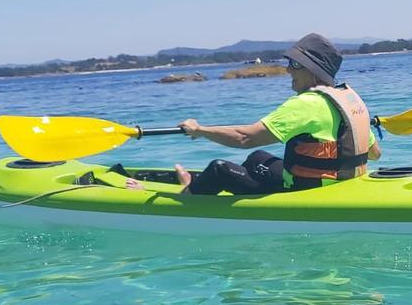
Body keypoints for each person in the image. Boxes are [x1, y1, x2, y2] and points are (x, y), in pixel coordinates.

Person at [137, 33, 382, 195]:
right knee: (258, 158)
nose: (288, 70)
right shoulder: (348, 100)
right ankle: (245, 186)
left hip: (306, 192)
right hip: (341, 184)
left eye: (295, 65)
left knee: (219, 168)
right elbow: (374, 154)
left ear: (313, 71)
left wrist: (199, 131)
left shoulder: (306, 104)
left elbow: (244, 138)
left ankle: (187, 194)